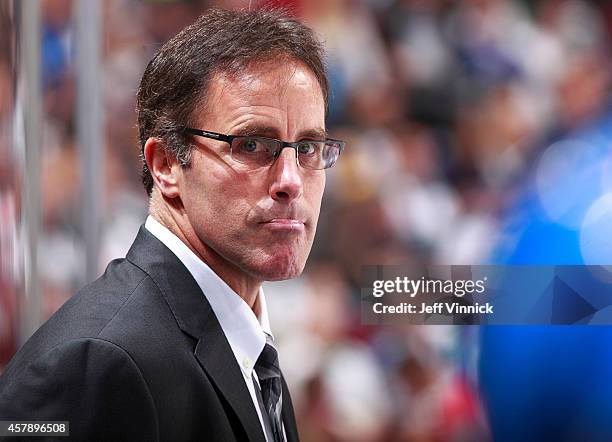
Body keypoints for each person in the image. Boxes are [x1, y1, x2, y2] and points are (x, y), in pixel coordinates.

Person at [0, 8, 344, 441]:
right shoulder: (96, 364)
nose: (290, 181)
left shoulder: (249, 351)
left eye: (309, 148)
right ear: (165, 165)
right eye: (253, 144)